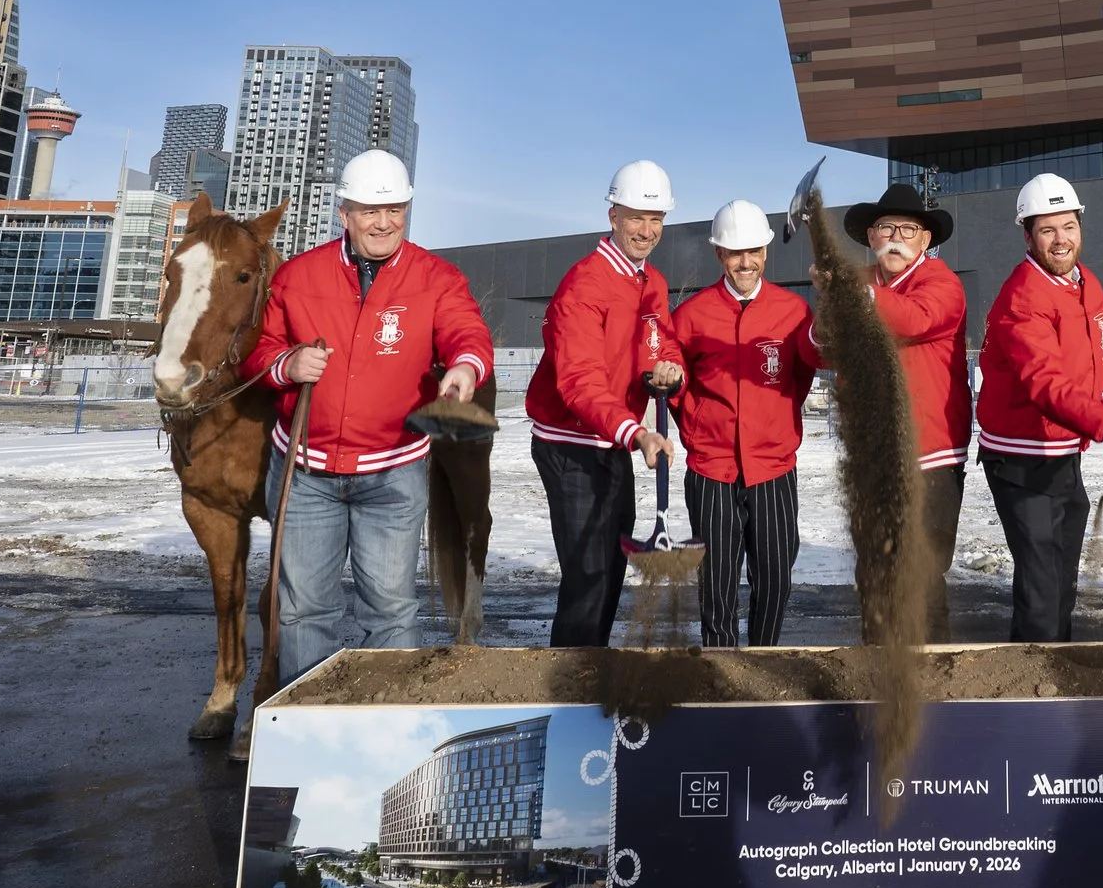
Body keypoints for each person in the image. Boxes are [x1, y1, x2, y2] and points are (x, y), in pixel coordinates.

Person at [245, 151, 491, 680]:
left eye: (395, 210)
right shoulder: (298, 276)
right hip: (307, 475)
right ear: (345, 214)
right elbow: (260, 349)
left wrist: (466, 368)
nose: (384, 223)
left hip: (393, 472)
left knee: (392, 610)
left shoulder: (437, 277)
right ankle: (311, 724)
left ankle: (388, 728)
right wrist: (287, 364)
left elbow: (467, 333)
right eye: (369, 211)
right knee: (305, 610)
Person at [974, 172, 1103, 642]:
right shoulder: (1022, 300)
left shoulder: (1086, 283)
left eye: (1068, 226)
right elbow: (1047, 385)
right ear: (1027, 235)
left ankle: (1052, 667)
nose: (1060, 239)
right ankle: (1035, 692)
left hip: (1063, 451)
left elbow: (1098, 357)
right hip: (1020, 457)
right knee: (1043, 583)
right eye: (1047, 230)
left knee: (1060, 580)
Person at [526, 160, 686, 646]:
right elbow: (578, 382)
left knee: (612, 565)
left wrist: (669, 369)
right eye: (636, 217)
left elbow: (663, 343)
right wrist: (635, 433)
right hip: (570, 442)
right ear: (612, 215)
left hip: (612, 439)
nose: (647, 230)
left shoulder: (651, 282)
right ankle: (569, 683)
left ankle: (590, 666)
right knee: (588, 576)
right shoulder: (585, 286)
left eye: (656, 219)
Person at [673, 200, 821, 646]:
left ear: (766, 252)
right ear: (719, 254)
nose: (746, 262)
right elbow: (674, 377)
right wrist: (697, 426)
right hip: (711, 469)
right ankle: (720, 665)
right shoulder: (693, 314)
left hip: (772, 467)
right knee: (716, 581)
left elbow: (813, 363)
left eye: (754, 251)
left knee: (775, 577)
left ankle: (762, 658)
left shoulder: (793, 310)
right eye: (736, 253)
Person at [842, 180, 971, 641]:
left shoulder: (942, 284)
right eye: (885, 227)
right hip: (872, 459)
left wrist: (856, 298)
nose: (895, 237)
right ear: (870, 236)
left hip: (928, 458)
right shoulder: (856, 284)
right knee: (874, 571)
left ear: (926, 240)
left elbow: (913, 318)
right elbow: (816, 348)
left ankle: (929, 686)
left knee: (920, 575)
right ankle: (878, 673)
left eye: (908, 229)